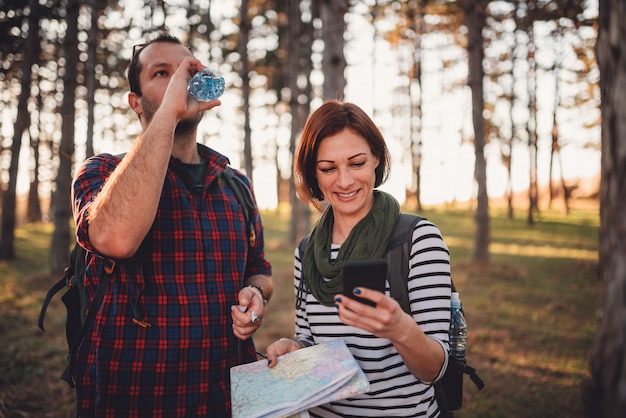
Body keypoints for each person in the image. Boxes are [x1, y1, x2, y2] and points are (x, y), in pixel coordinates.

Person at [71, 33, 273, 417]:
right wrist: (167, 113)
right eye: (163, 73)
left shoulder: (236, 183)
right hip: (135, 398)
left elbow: (260, 270)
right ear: (135, 102)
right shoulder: (103, 171)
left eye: (189, 70)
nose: (182, 79)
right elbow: (115, 239)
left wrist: (254, 294)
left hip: (228, 396)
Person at [265, 100, 451, 417]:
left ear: (376, 159)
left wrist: (399, 329)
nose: (345, 181)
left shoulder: (417, 239)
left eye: (356, 163)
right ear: (314, 173)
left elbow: (434, 369)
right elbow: (312, 341)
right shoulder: (307, 251)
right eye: (328, 168)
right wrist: (294, 349)